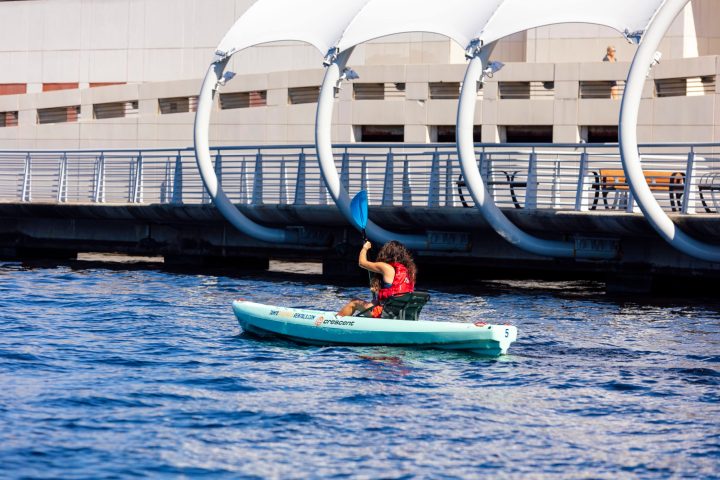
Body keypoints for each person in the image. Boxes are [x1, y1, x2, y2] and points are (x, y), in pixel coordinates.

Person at [337, 240, 416, 318]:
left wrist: (365, 248)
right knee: (374, 302)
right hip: (402, 312)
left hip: (387, 312)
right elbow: (396, 292)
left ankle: (336, 320)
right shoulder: (409, 272)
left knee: (353, 302)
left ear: (386, 253)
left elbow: (362, 263)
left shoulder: (386, 267)